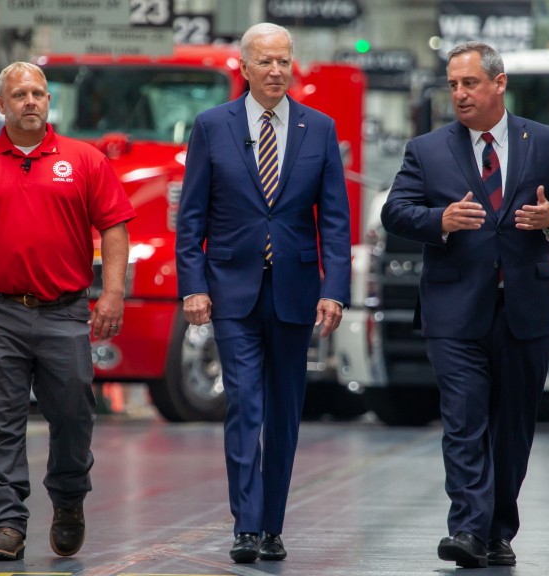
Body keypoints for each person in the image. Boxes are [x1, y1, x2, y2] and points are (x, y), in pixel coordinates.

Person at [381, 42, 549, 568]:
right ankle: (469, 530)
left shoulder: (545, 143)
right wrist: (438, 222)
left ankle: (499, 529)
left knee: (513, 425)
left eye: (469, 83)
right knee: (464, 420)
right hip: (454, 312)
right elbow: (395, 212)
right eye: (452, 85)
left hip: (523, 311)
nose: (459, 94)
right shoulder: (427, 150)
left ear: (499, 84)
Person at [0, 62, 136, 561]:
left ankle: (68, 500)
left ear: (48, 101)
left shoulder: (84, 161)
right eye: (20, 94)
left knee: (74, 414)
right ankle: (5, 523)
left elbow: (115, 229)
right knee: (2, 419)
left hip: (64, 313)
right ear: (1, 105)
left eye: (39, 93)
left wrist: (113, 292)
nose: (31, 101)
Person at [175, 22, 351, 564]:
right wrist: (193, 287)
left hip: (296, 291)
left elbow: (337, 221)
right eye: (266, 62)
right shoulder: (212, 127)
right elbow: (191, 219)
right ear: (246, 68)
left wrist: (334, 290)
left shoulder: (319, 129)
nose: (276, 71)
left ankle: (273, 524)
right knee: (245, 404)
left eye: (284, 61)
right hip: (232, 291)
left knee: (284, 413)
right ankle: (247, 525)